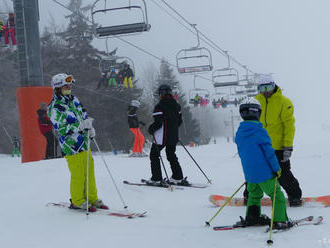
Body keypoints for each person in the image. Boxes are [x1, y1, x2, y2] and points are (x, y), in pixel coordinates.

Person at [48, 73, 108, 212]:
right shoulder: (55, 107)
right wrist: (79, 126)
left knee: (89, 171)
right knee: (78, 173)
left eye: (70, 85)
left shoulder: (74, 100)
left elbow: (84, 115)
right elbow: (61, 128)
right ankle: (77, 200)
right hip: (70, 145)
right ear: (58, 88)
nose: (69, 87)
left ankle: (92, 198)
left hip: (84, 142)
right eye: (66, 85)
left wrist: (89, 127)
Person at [235, 98, 292, 230]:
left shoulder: (239, 133)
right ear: (257, 113)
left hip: (250, 174)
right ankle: (280, 221)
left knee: (254, 195)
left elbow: (243, 153)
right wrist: (276, 169)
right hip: (265, 174)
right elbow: (269, 153)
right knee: (277, 195)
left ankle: (252, 217)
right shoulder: (260, 132)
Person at [254, 74, 302, 207]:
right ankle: (251, 197)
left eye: (268, 87)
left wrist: (287, 146)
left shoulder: (284, 102)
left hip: (278, 147)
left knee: (283, 174)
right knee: (255, 172)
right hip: (261, 147)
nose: (266, 91)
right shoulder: (256, 102)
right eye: (262, 88)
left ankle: (295, 196)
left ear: (274, 86)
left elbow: (289, 126)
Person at [147, 84, 188, 185]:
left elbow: (158, 123)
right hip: (173, 136)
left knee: (154, 155)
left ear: (162, 94)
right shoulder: (176, 105)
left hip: (162, 137)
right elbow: (179, 121)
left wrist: (151, 129)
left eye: (159, 94)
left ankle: (156, 178)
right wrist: (172, 129)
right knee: (171, 155)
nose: (159, 96)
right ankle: (177, 177)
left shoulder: (159, 106)